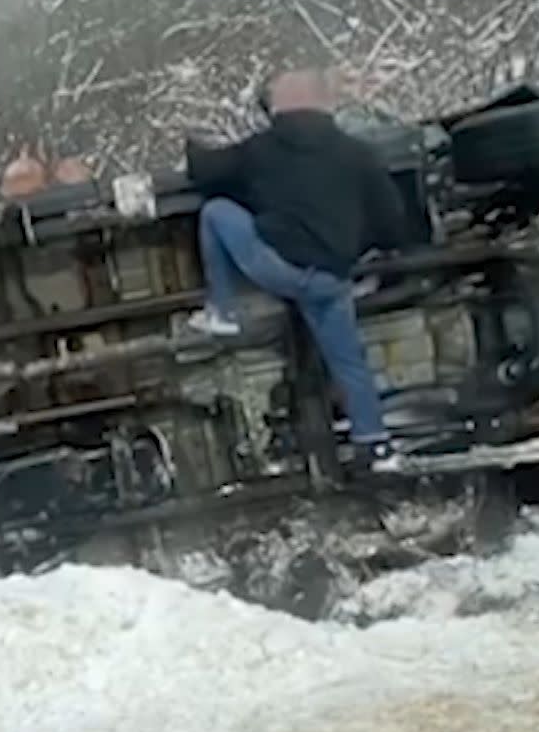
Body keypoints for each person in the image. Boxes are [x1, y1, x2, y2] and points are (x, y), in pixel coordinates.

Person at [182, 69, 430, 474]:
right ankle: (376, 444)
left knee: (216, 212)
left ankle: (222, 311)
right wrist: (356, 250)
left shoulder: (262, 149)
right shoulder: (357, 153)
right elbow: (391, 220)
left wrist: (193, 145)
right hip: (331, 279)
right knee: (350, 363)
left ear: (278, 107)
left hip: (278, 268)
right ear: (325, 104)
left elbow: (205, 171)